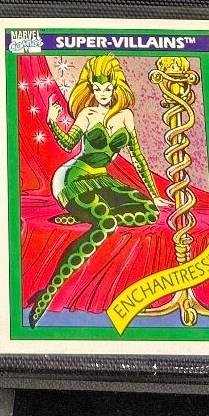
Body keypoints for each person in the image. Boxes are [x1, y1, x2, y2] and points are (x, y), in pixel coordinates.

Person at [28, 53, 162, 327]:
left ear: (116, 88)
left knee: (149, 212)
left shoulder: (126, 116)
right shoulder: (87, 114)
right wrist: (53, 120)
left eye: (107, 88)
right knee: (106, 222)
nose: (102, 93)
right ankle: (49, 293)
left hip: (102, 181)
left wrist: (154, 194)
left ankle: (80, 215)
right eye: (97, 88)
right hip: (72, 178)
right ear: (91, 89)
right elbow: (68, 145)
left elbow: (138, 158)